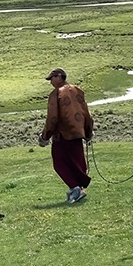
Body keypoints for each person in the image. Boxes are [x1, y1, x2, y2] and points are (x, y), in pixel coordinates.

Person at [39, 68, 94, 203]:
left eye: (51, 78)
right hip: (77, 133)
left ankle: (75, 189)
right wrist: (88, 131)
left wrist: (45, 136)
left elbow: (52, 118)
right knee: (77, 162)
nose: (51, 82)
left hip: (62, 135)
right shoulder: (78, 91)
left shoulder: (56, 94)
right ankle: (78, 189)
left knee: (59, 163)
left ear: (59, 77)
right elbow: (86, 113)